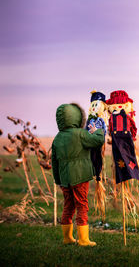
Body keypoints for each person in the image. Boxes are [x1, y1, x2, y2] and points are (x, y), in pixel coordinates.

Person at [52, 103, 105, 246]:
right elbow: (98, 141)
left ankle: (67, 238)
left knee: (68, 205)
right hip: (80, 176)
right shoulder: (80, 134)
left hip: (64, 179)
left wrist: (58, 180)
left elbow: (54, 162)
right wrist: (98, 130)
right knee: (82, 205)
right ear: (77, 117)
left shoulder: (57, 138)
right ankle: (83, 239)